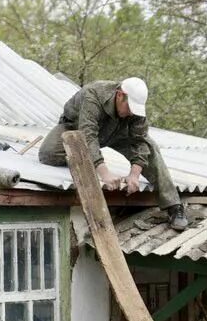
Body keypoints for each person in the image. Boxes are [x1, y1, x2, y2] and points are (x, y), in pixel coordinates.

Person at [38, 77, 189, 230]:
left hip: (118, 132)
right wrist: (104, 173)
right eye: (129, 107)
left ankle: (174, 207)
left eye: (134, 110)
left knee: (151, 148)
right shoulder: (94, 94)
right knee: (48, 153)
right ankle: (86, 159)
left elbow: (140, 141)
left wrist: (134, 175)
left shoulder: (135, 111)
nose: (131, 112)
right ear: (119, 95)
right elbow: (87, 136)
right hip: (76, 128)